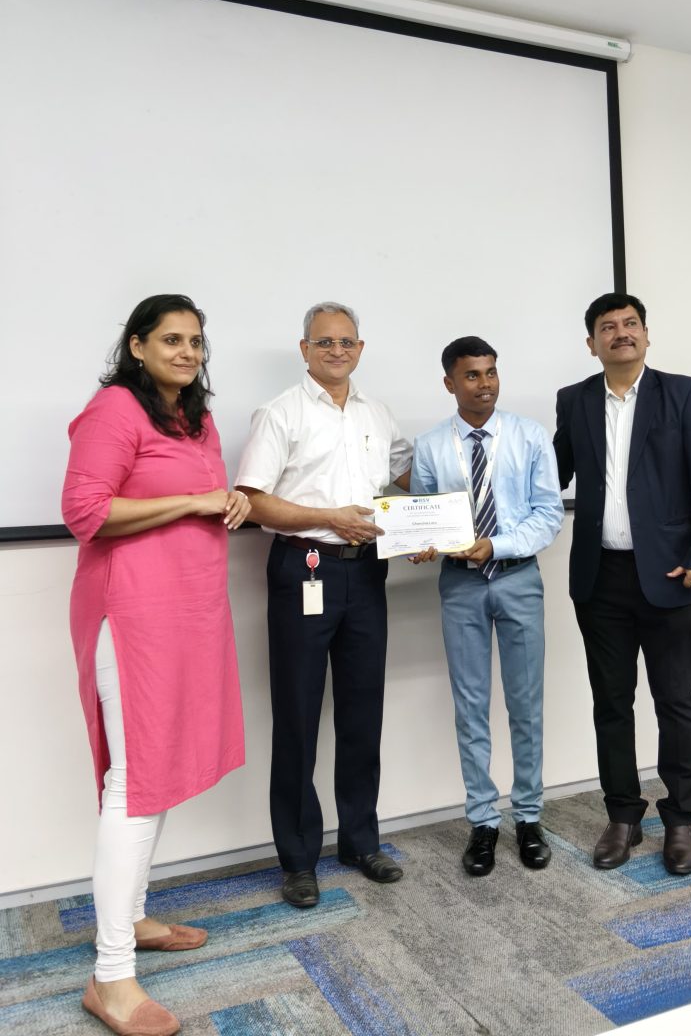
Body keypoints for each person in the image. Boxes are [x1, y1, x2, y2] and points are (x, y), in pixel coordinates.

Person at [62, 294, 249, 1036]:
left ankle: (134, 917)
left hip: (190, 611)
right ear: (136, 345)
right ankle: (109, 977)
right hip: (133, 613)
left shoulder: (195, 417)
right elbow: (86, 512)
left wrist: (228, 501)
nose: (187, 352)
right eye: (171, 339)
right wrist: (195, 501)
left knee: (159, 769)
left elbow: (202, 495)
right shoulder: (114, 409)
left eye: (196, 341)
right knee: (136, 783)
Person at [235, 302, 412, 909]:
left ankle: (361, 842)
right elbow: (252, 500)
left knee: (363, 713)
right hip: (303, 568)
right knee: (298, 715)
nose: (337, 351)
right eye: (324, 342)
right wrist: (328, 517)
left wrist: (429, 522)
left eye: (346, 342)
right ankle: (298, 860)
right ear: (304, 349)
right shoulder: (280, 413)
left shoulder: (377, 413)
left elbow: (406, 476)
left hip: (367, 572)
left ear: (360, 349)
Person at [554, 292, 691, 876]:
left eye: (631, 324)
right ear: (592, 343)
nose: (621, 333)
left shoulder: (684, 394)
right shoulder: (575, 400)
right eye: (608, 326)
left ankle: (681, 819)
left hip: (670, 574)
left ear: (647, 335)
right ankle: (623, 816)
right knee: (611, 704)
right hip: (600, 577)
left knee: (675, 702)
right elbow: (549, 475)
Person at [410, 337, 564, 876]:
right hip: (461, 585)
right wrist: (422, 543)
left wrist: (496, 545)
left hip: (518, 578)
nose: (485, 384)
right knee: (471, 705)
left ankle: (528, 817)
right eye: (472, 375)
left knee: (526, 704)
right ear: (449, 383)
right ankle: (482, 821)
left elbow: (548, 514)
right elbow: (424, 514)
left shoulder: (529, 435)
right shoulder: (431, 446)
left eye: (491, 372)